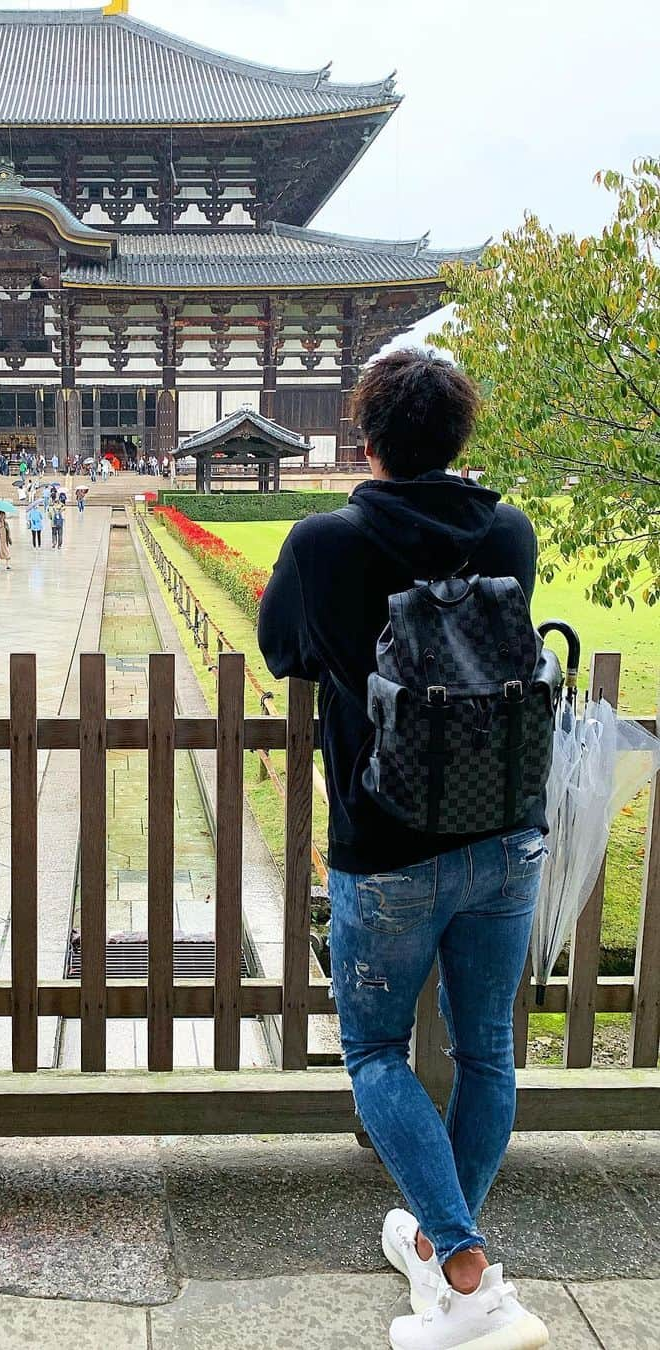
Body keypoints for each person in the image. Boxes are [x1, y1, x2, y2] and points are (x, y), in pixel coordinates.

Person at [258, 349, 548, 1350]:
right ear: (462, 440)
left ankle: (467, 1278)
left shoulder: (325, 544)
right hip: (506, 835)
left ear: (366, 440)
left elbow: (284, 650)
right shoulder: (509, 528)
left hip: (387, 850)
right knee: (487, 1053)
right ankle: (436, 1247)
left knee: (378, 1051)